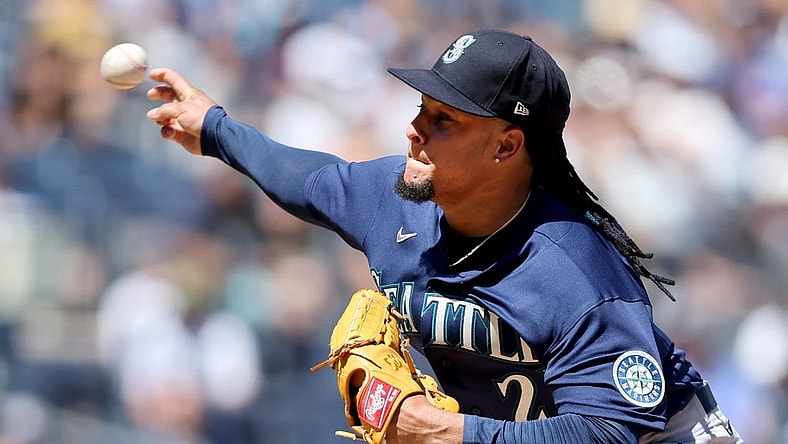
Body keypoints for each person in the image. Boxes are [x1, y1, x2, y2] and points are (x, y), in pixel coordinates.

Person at [146, 28, 743, 444]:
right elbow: (305, 179)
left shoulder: (579, 276)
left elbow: (607, 432)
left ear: (507, 145)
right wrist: (214, 127)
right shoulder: (390, 201)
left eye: (444, 120)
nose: (413, 130)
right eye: (421, 108)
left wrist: (439, 433)